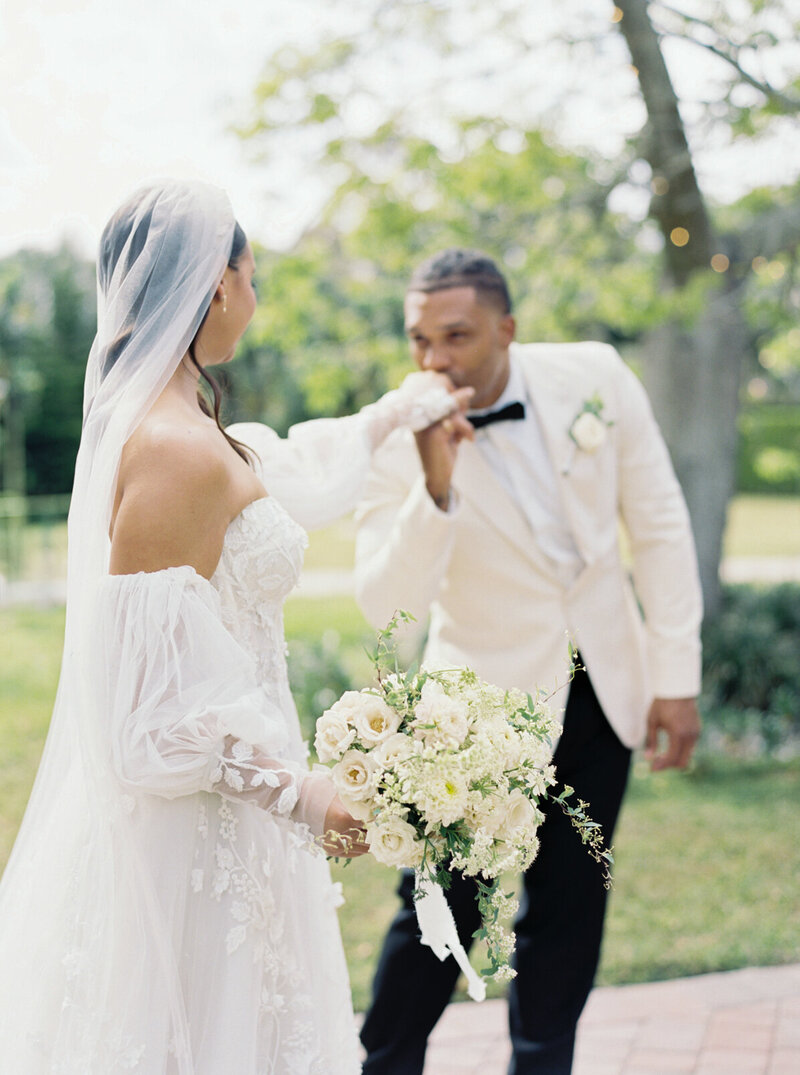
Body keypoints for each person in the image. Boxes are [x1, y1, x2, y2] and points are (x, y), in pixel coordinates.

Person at [0, 181, 468, 1073]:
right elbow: (149, 722)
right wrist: (303, 794)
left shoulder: (200, 427)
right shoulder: (174, 451)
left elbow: (299, 474)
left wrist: (405, 412)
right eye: (252, 280)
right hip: (195, 843)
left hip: (239, 822)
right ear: (217, 286)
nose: (255, 303)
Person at [354, 248, 704, 1075]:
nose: (435, 360)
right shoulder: (394, 431)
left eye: (457, 336)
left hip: (603, 689)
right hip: (474, 708)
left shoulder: (596, 376)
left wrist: (675, 678)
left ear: (507, 329)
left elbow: (657, 524)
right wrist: (434, 485)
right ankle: (384, 1064)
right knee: (441, 915)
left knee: (571, 910)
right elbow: (381, 599)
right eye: (420, 340)